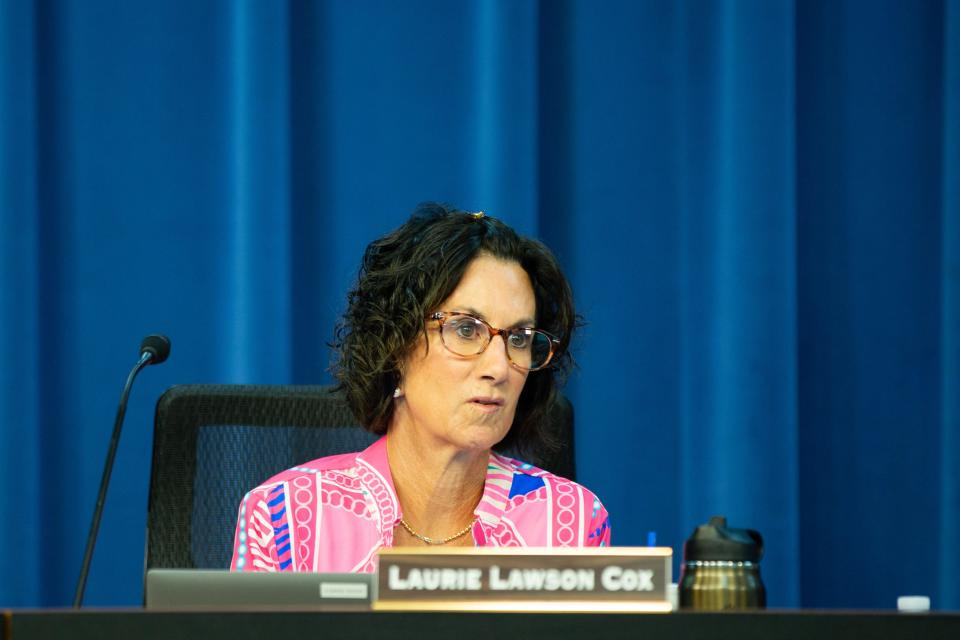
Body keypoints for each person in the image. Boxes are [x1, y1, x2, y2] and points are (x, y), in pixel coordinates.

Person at [230, 203, 610, 573]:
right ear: (395, 347)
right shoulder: (286, 518)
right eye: (465, 330)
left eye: (519, 338)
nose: (499, 367)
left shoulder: (572, 524)